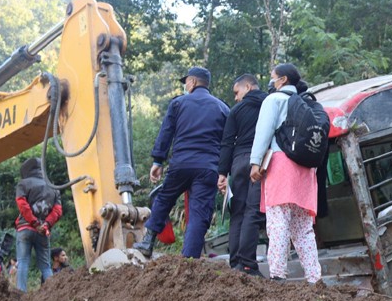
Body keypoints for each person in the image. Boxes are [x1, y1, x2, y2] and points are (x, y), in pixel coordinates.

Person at [135, 66, 230, 258]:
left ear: (193, 82)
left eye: (186, 81)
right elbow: (227, 143)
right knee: (199, 214)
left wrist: (158, 161)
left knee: (164, 199)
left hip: (181, 164)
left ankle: (147, 242)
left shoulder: (178, 103)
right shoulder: (223, 108)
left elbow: (166, 132)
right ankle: (189, 261)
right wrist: (224, 172)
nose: (185, 85)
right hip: (208, 168)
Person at [249, 63, 323, 283]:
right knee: (303, 228)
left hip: (281, 166)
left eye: (273, 78)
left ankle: (278, 273)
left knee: (278, 221)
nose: (271, 82)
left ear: (282, 80)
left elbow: (263, 132)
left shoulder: (273, 100)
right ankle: (314, 277)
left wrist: (255, 162)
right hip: (305, 170)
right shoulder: (306, 104)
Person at [218, 73, 268, 275]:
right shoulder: (269, 103)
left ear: (248, 87)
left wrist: (222, 172)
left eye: (237, 92)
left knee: (237, 212)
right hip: (261, 161)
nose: (236, 98)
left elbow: (227, 142)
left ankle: (236, 263)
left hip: (238, 162)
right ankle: (248, 264)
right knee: (252, 211)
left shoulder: (236, 110)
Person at [15, 157, 63, 291]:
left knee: (23, 262)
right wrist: (45, 225)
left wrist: (34, 223)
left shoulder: (23, 184)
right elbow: (58, 210)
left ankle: (21, 293)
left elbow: (22, 205)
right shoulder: (53, 187)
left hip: (26, 228)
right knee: (45, 266)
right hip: (43, 231)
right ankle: (53, 292)